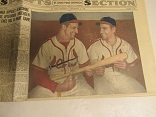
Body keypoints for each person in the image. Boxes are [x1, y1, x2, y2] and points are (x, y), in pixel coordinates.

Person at [29, 13, 95, 98]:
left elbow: (85, 66)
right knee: (33, 96)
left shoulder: (79, 44)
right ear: (64, 26)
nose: (77, 31)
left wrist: (89, 71)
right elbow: (37, 73)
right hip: (54, 83)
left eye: (77, 28)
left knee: (92, 95)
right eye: (74, 28)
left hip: (77, 84)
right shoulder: (47, 46)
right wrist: (57, 87)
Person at [87, 16, 146, 94]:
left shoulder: (125, 45)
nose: (101, 31)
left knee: (141, 93)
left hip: (124, 78)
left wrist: (127, 67)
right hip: (104, 79)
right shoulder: (94, 47)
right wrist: (95, 70)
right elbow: (89, 69)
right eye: (100, 28)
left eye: (104, 28)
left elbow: (135, 73)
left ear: (113, 29)